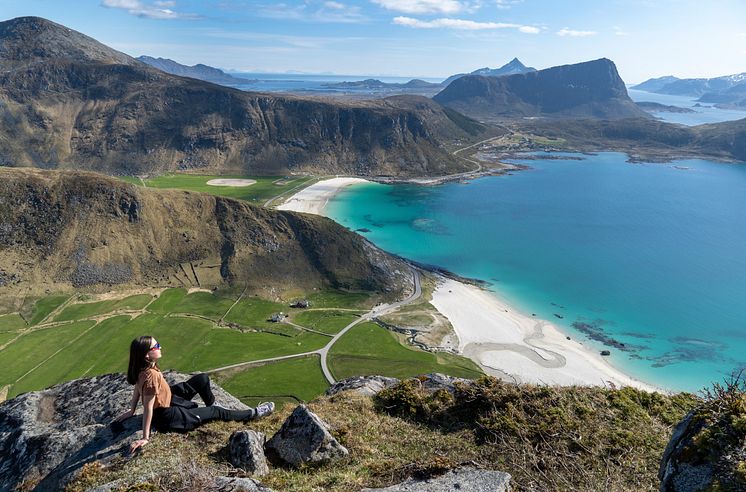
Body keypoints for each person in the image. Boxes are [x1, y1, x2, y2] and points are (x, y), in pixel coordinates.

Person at [115, 335, 274, 452]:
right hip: (167, 415)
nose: (160, 347)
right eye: (156, 346)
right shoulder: (151, 376)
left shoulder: (141, 369)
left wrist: (131, 410)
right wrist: (145, 437)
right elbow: (148, 407)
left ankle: (212, 404)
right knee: (216, 412)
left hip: (170, 398)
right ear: (146, 355)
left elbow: (137, 389)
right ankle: (253, 413)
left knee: (202, 379)